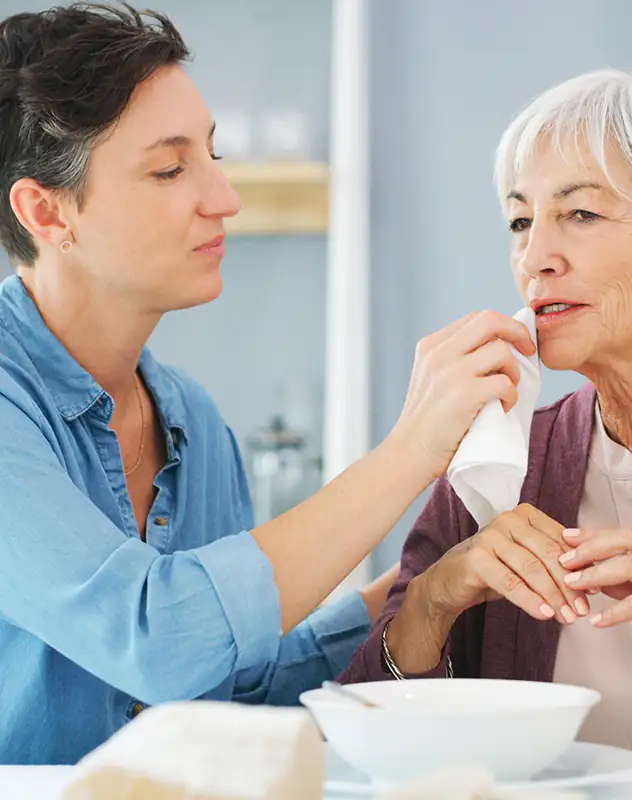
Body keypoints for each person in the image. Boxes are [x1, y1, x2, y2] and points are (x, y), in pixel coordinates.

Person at [0, 4, 534, 765]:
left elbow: (237, 695)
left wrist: (427, 586)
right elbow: (154, 637)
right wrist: (411, 449)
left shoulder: (194, 423)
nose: (224, 198)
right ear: (45, 211)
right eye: (170, 167)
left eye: (212, 155)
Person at [340, 68, 632, 773]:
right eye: (521, 220)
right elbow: (370, 744)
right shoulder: (494, 465)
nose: (533, 258)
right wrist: (433, 601)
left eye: (580, 215)